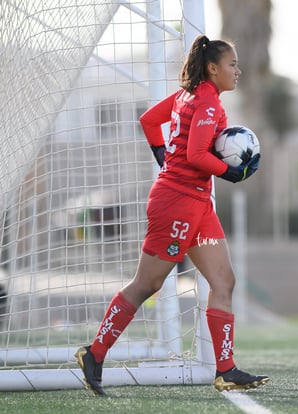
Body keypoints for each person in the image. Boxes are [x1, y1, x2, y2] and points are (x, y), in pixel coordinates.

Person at [75, 34, 268, 396]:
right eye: (232, 65)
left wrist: (165, 159)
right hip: (177, 202)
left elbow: (150, 120)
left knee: (224, 281)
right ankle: (94, 353)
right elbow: (196, 156)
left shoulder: (188, 96)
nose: (237, 71)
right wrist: (230, 173)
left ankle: (225, 370)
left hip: (197, 204)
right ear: (213, 69)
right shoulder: (207, 103)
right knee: (146, 284)